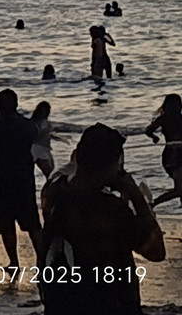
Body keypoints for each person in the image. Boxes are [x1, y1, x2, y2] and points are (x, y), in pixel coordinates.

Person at [38, 123, 165, 315]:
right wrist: (135, 196)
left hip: (62, 298)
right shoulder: (110, 210)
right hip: (106, 301)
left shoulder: (54, 189)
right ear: (114, 165)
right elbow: (156, 252)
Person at [0, 89, 42, 268]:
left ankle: (14, 262)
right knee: (33, 224)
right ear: (16, 105)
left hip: (0, 181)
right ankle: (41, 259)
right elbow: (34, 136)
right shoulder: (28, 126)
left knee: (6, 225)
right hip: (23, 180)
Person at [144, 93, 182, 208]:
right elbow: (149, 130)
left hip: (171, 154)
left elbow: (149, 130)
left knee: (180, 188)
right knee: (179, 190)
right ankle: (152, 204)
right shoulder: (169, 119)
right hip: (175, 156)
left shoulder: (164, 119)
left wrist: (154, 137)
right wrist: (154, 137)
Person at [31, 101, 58, 178]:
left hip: (45, 147)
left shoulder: (44, 122)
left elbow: (46, 134)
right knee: (49, 173)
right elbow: (35, 135)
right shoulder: (34, 123)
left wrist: (55, 137)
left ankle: (47, 189)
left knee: (51, 172)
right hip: (37, 148)